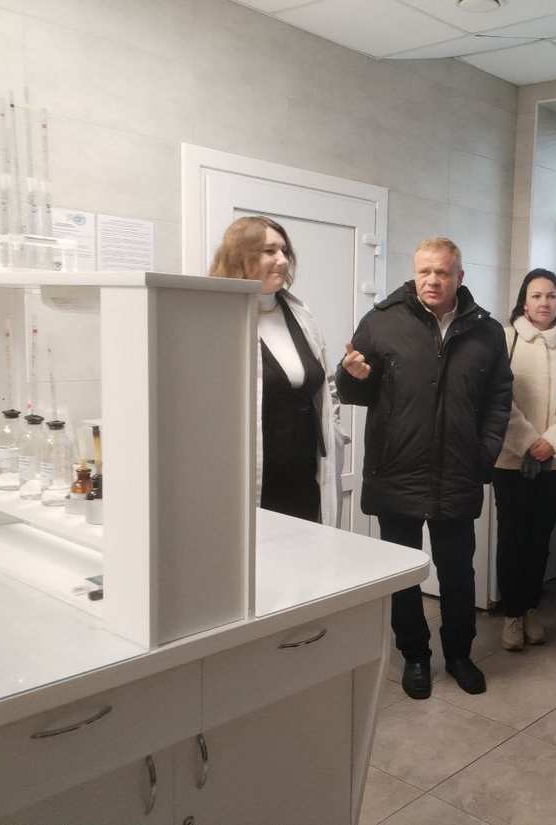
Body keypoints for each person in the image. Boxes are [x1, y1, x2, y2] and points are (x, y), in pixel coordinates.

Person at [336, 237, 512, 700]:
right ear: (415, 273)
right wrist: (349, 375)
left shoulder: (487, 332)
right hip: (398, 470)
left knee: (458, 574)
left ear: (460, 277)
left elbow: (500, 398)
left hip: (458, 472)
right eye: (424, 272)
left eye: (442, 273)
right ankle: (414, 655)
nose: (432, 280)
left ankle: (459, 655)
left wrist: (485, 453)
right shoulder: (381, 322)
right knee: (402, 574)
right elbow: (357, 391)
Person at [208, 215, 347, 526]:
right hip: (252, 477)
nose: (282, 260)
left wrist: (334, 427)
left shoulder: (299, 313)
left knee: (309, 551)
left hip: (305, 476)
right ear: (240, 256)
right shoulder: (217, 316)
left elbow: (325, 386)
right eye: (269, 251)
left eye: (284, 251)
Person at [493, 269, 556, 651]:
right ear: (524, 301)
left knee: (539, 540)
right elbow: (497, 398)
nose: (544, 302)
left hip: (554, 461)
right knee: (512, 538)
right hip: (510, 459)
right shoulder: (505, 339)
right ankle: (512, 615)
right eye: (536, 296)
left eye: (551, 296)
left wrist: (551, 442)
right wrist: (528, 441)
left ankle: (531, 608)